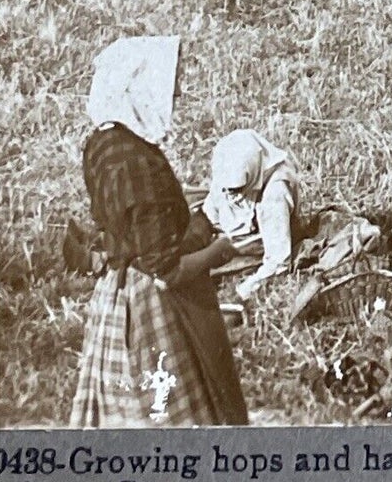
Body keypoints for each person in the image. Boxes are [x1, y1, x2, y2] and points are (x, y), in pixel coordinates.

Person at [70, 36, 248, 428]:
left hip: (118, 294)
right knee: (174, 413)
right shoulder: (136, 162)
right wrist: (221, 248)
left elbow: (133, 219)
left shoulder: (103, 142)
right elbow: (167, 271)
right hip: (153, 303)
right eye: (168, 84)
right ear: (136, 90)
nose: (177, 92)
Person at [201, 129, 303, 303]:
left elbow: (278, 262)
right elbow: (211, 209)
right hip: (233, 230)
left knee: (202, 267)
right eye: (225, 188)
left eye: (234, 190)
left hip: (260, 239)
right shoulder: (229, 165)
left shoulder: (275, 193)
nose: (228, 194)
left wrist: (243, 292)